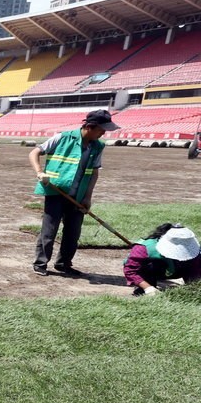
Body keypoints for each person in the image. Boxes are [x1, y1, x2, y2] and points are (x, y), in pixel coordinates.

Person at [29, 109, 117, 277]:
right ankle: (41, 262)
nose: (104, 133)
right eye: (102, 129)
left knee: (73, 233)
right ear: (90, 127)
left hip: (78, 196)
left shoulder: (98, 146)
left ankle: (63, 264)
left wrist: (87, 197)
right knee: (49, 230)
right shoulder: (63, 138)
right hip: (56, 192)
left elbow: (94, 172)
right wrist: (40, 172)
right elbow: (34, 152)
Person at [123, 224, 201, 296]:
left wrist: (194, 287)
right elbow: (130, 270)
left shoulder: (194, 250)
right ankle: (146, 286)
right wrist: (147, 287)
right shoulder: (145, 248)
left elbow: (196, 268)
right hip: (154, 271)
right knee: (149, 267)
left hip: (177, 270)